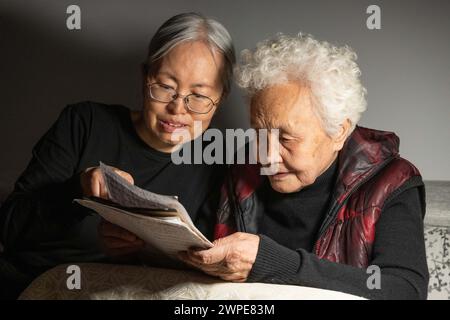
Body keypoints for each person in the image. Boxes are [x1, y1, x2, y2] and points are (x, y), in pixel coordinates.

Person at [0, 12, 235, 299]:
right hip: (32, 286)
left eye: (198, 95)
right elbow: (9, 228)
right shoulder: (85, 122)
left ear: (220, 99)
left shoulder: (217, 165)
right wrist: (80, 189)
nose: (177, 108)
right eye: (165, 86)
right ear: (144, 77)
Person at [179, 33, 429, 299]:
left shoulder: (391, 181)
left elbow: (405, 290)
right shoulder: (240, 173)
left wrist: (271, 262)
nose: (266, 156)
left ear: (339, 132)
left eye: (286, 138)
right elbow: (191, 258)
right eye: (259, 134)